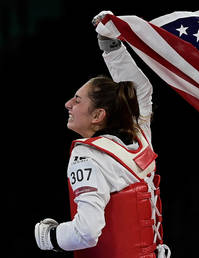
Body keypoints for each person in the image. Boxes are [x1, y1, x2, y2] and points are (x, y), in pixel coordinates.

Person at [34, 11, 170, 258]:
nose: (67, 104)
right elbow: (141, 93)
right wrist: (112, 48)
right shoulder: (140, 138)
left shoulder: (88, 155)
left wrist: (50, 237)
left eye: (77, 100)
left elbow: (86, 232)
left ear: (98, 116)